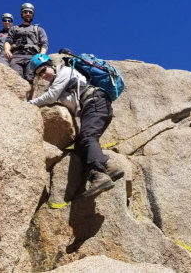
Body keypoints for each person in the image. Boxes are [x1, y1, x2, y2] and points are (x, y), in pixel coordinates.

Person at [28, 54, 124, 198]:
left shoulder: (65, 71)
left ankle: (99, 175)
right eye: (39, 75)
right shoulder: (58, 81)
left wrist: (28, 104)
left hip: (95, 103)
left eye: (43, 70)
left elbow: (52, 96)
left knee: (87, 138)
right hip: (94, 107)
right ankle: (110, 167)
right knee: (80, 146)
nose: (42, 76)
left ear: (50, 65)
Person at [4, 3, 49, 84]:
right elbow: (8, 41)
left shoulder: (38, 29)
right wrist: (7, 50)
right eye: (25, 12)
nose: (28, 14)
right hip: (16, 56)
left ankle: (31, 97)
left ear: (33, 14)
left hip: (32, 57)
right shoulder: (15, 29)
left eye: (30, 12)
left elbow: (44, 43)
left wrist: (41, 55)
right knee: (14, 78)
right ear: (22, 14)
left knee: (30, 79)